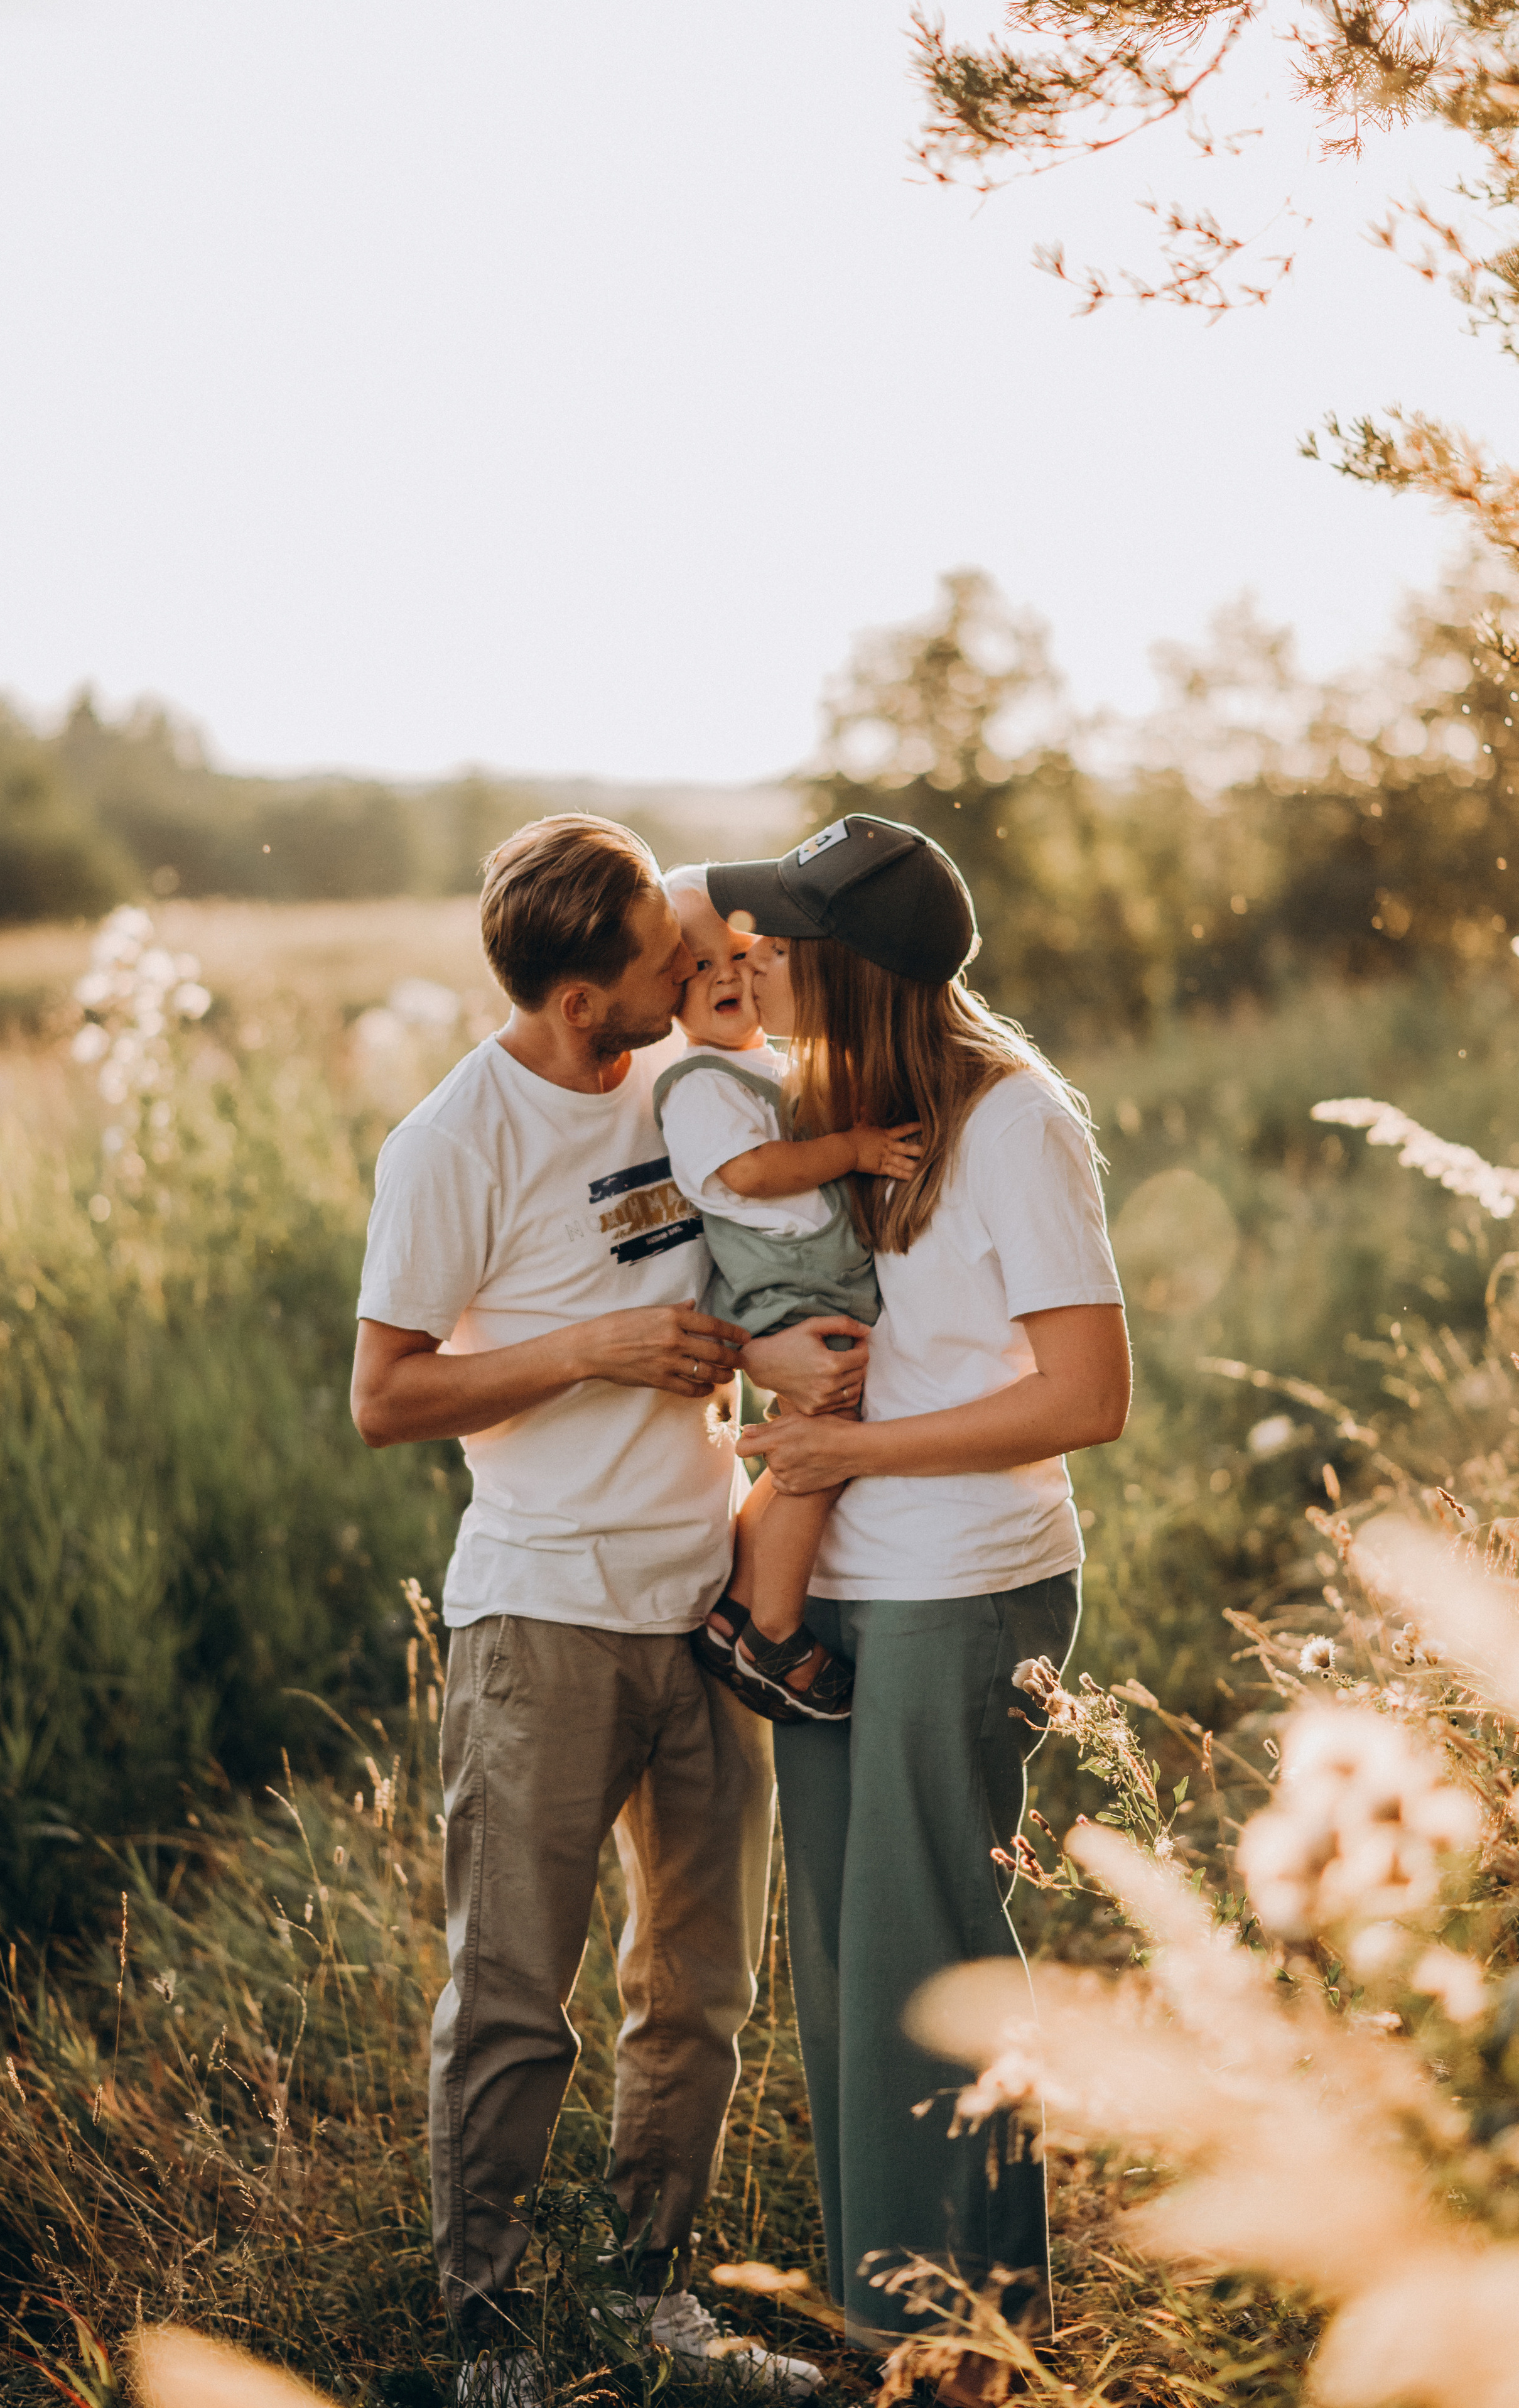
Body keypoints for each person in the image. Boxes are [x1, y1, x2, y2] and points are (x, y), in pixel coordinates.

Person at [350, 815, 863, 2404]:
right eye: (660, 963)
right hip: (544, 1616)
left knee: (697, 1987)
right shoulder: (453, 1142)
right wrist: (591, 1350)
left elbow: (717, 1257)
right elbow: (384, 1397)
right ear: (583, 1002)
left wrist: (745, 1349)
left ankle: (648, 2298)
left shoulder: (676, 1078)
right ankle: (488, 2333)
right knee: (514, 1991)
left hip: (707, 1598)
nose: (689, 968)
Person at [706, 814, 1130, 2403]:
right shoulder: (849, 1111)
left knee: (912, 1958)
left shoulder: (1015, 1122)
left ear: (855, 964)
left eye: (783, 934)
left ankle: (925, 2354)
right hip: (851, 1586)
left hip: (964, 1585)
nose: (753, 954)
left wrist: (852, 1448)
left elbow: (1088, 1396)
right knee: (849, 1964)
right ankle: (960, 2329)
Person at [654, 865, 919, 1723]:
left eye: (739, 953)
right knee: (822, 1449)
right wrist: (855, 1148)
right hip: (788, 1293)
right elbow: (753, 1171)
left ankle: (735, 1602)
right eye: (696, 967)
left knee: (808, 1446)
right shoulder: (695, 1085)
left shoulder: (767, 1065)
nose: (726, 975)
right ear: (666, 990)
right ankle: (774, 1627)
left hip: (817, 1280)